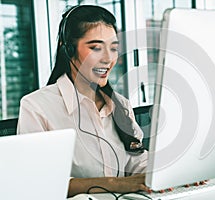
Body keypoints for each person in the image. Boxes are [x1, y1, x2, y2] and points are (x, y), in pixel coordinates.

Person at [17, 5, 148, 197]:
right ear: (69, 49)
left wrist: (171, 175)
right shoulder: (36, 107)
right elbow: (38, 182)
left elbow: (138, 163)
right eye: (96, 48)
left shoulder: (121, 105)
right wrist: (115, 184)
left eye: (113, 49)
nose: (108, 59)